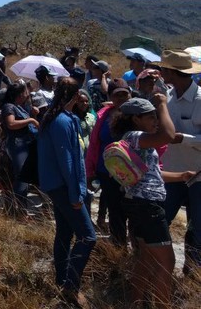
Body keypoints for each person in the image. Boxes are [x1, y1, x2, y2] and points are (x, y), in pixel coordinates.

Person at [108, 96, 178, 309]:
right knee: (167, 261)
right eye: (151, 117)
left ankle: (135, 303)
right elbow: (168, 135)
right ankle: (161, 306)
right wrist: (163, 104)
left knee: (146, 259)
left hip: (138, 202)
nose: (156, 120)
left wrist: (183, 175)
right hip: (148, 206)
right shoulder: (137, 136)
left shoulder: (133, 139)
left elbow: (151, 173)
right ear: (136, 119)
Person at [38, 78, 96, 308]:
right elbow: (68, 162)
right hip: (65, 188)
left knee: (64, 233)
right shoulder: (61, 121)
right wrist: (75, 195)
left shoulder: (58, 118)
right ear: (74, 97)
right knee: (88, 237)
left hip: (58, 186)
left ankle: (62, 279)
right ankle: (71, 286)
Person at [157, 50, 201, 276]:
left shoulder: (200, 100)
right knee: (160, 220)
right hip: (173, 172)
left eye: (164, 69)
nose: (161, 72)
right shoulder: (170, 97)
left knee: (197, 229)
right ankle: (159, 268)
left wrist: (183, 138)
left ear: (173, 73)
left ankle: (192, 273)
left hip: (198, 177)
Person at [84, 78, 132, 244]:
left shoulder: (138, 115)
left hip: (134, 175)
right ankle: (119, 247)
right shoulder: (103, 116)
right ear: (111, 96)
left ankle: (137, 250)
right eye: (117, 95)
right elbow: (94, 145)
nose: (121, 98)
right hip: (107, 173)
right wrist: (90, 172)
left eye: (124, 94)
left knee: (133, 212)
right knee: (115, 212)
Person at [0, 80, 39, 215]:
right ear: (19, 94)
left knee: (24, 176)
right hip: (17, 144)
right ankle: (20, 208)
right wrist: (31, 120)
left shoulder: (20, 106)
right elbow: (11, 124)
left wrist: (33, 114)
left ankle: (21, 208)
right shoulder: (9, 107)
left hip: (24, 143)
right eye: (25, 92)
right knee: (21, 175)